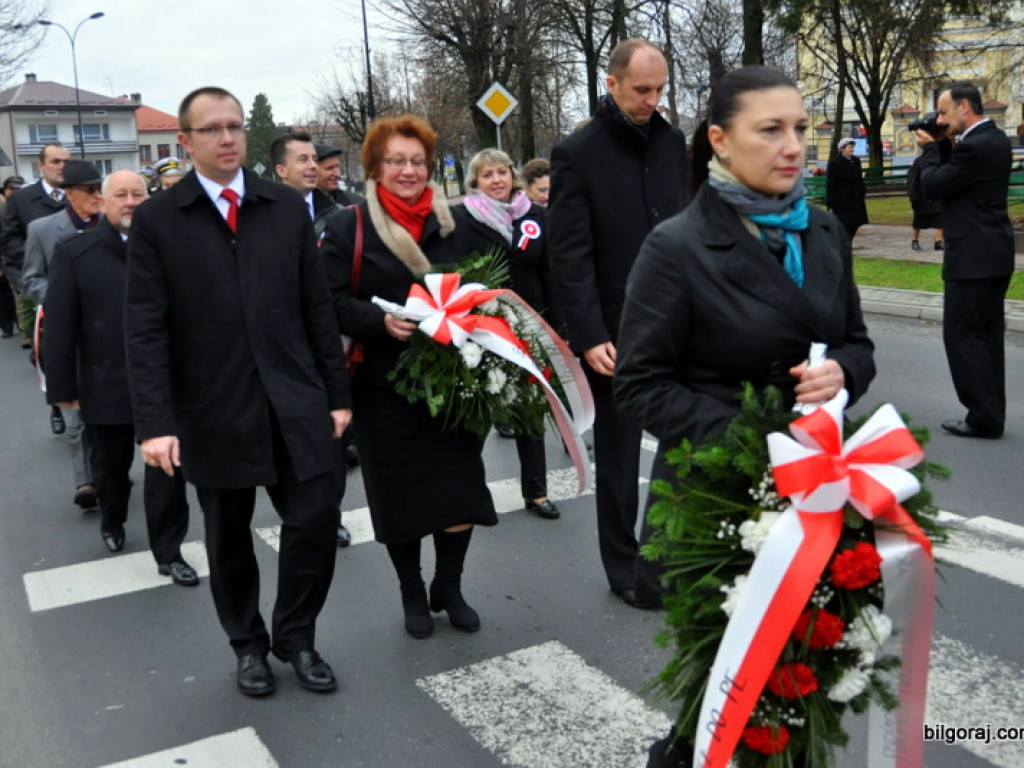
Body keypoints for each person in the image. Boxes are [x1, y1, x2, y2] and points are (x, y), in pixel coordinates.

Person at [612, 64, 876, 768]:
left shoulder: (822, 229)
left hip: (819, 491)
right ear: (721, 142)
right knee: (731, 685)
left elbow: (857, 342)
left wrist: (842, 370)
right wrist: (749, 443)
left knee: (803, 675)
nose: (794, 146)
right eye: (772, 130)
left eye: (800, 128)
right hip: (719, 501)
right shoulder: (676, 246)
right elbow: (639, 384)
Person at [124, 86, 352, 697]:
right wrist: (155, 422)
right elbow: (144, 327)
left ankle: (296, 636)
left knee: (314, 518)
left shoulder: (284, 206)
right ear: (186, 141)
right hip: (213, 407)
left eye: (234, 126)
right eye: (211, 129)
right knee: (228, 538)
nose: (226, 138)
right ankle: (248, 645)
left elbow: (316, 311)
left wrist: (337, 394)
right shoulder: (158, 220)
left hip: (294, 398)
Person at [319, 115, 497, 640]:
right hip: (382, 386)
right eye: (396, 161)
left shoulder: (455, 223)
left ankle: (449, 585)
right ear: (375, 167)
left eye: (417, 161)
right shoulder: (349, 226)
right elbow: (326, 302)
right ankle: (412, 591)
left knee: (459, 489)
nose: (408, 170)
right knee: (400, 496)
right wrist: (378, 322)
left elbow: (483, 287)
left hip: (452, 383)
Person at [547, 37, 687, 609]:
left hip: (678, 322)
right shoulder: (577, 152)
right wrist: (589, 334)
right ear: (612, 84)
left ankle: (675, 555)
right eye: (641, 90)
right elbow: (568, 254)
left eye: (659, 90)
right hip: (615, 331)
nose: (652, 100)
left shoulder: (674, 142)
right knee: (622, 452)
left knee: (686, 444)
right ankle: (624, 567)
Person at [43, 170, 197, 584]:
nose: (130, 202)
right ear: (103, 202)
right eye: (121, 195)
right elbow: (59, 326)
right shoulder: (75, 252)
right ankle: (112, 519)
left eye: (138, 194)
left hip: (164, 387)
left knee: (167, 471)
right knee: (111, 472)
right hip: (106, 383)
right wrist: (62, 387)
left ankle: (169, 551)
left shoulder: (174, 248)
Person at [452, 148, 565, 521]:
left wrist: (558, 327)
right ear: (475, 182)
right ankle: (469, 493)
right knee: (478, 417)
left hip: (530, 327)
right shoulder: (463, 219)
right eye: (487, 175)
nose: (496, 180)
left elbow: (549, 273)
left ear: (513, 176)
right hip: (483, 329)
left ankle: (536, 492)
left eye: (502, 172)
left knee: (528, 415)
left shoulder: (535, 217)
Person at [916, 81, 1014, 439]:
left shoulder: (974, 147)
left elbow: (934, 186)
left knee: (961, 336)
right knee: (987, 338)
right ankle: (991, 413)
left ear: (964, 108)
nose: (940, 119)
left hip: (972, 257)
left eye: (944, 112)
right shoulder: (997, 140)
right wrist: (944, 145)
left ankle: (982, 416)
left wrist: (930, 150)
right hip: (994, 254)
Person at [271, 130, 355, 547]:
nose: (312, 167)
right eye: (301, 160)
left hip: (330, 333)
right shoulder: (262, 215)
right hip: (283, 341)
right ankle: (296, 506)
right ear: (280, 170)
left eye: (314, 160)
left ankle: (330, 512)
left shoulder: (342, 211)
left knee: (332, 431)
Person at [22, 159, 105, 513]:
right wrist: (64, 297)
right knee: (76, 411)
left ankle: (109, 469)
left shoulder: (115, 225)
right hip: (66, 332)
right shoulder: (42, 230)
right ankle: (84, 480)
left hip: (110, 332)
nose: (97, 197)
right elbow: (30, 280)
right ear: (70, 194)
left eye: (99, 189)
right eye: (89, 191)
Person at [1, 143, 70, 349]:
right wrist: (37, 259)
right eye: (55, 162)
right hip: (39, 279)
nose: (61, 167)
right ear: (41, 165)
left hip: (76, 275)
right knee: (47, 342)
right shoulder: (21, 199)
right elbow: (8, 239)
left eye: (66, 162)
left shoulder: (81, 194)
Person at [825, 137, 868, 243]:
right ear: (842, 149)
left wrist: (862, 190)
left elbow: (859, 178)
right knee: (845, 226)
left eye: (853, 147)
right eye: (849, 147)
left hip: (856, 200)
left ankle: (846, 245)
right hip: (842, 201)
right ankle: (845, 247)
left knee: (855, 225)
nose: (852, 149)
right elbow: (831, 184)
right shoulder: (835, 164)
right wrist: (830, 202)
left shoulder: (856, 161)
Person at [0, 175, 25, 339]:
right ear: (5, 190)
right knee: (3, 294)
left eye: (18, 189)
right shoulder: (2, 208)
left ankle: (24, 328)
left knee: (19, 292)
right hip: (4, 257)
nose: (15, 192)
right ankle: (8, 327)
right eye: (12, 189)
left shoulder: (25, 206)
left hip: (19, 257)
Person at [907, 148, 943, 251]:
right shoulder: (919, 161)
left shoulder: (939, 160)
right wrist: (913, 196)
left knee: (940, 219)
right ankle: (915, 240)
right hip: (921, 196)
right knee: (918, 220)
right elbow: (913, 180)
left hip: (935, 196)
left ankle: (938, 241)